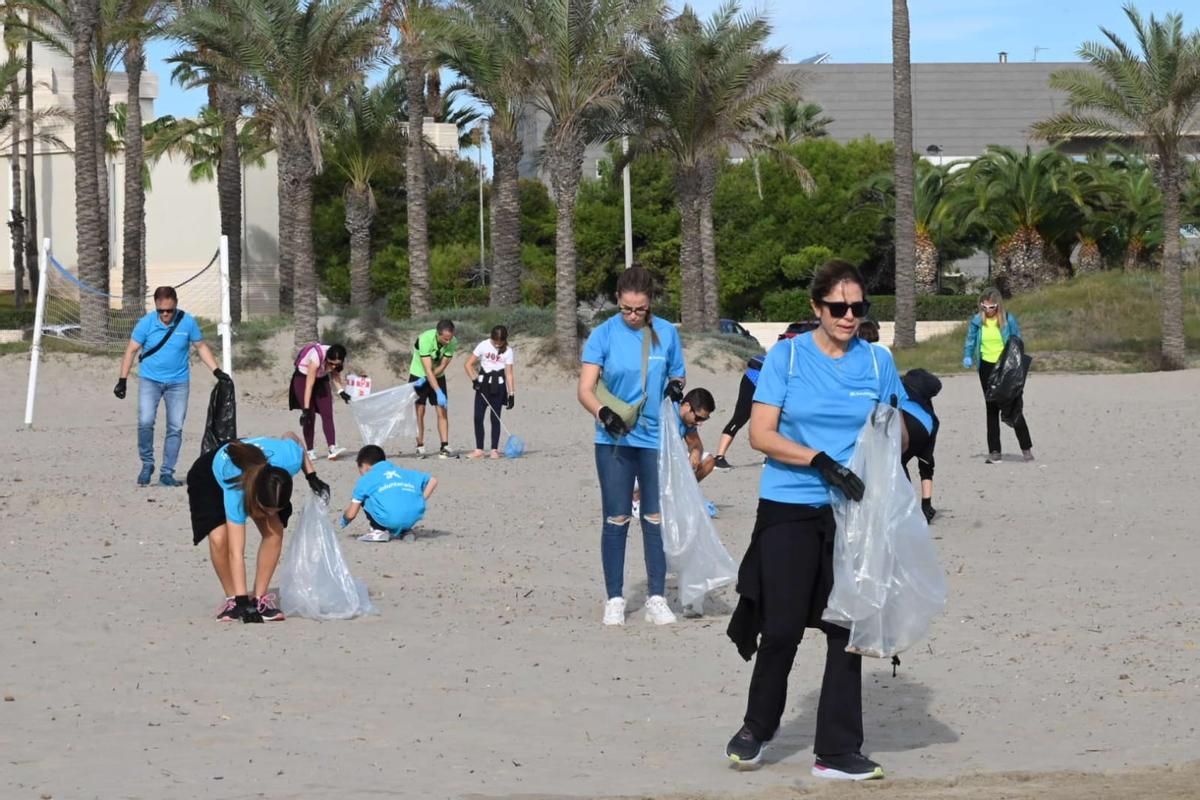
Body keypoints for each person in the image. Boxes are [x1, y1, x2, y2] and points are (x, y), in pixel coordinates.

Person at [724, 260, 903, 780]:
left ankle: (838, 750)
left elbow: (894, 431)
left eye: (858, 307)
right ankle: (758, 726)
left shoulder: (878, 362)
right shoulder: (787, 357)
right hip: (789, 504)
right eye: (837, 307)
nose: (849, 316)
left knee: (844, 627)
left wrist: (893, 443)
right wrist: (819, 460)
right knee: (780, 627)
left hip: (853, 512)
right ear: (815, 307)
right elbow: (760, 433)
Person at [577, 266, 686, 627]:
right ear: (618, 301)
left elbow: (677, 372)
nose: (633, 316)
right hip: (614, 438)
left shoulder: (667, 332)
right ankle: (614, 598)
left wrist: (675, 386)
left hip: (655, 438)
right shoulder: (603, 334)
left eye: (640, 309)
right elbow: (585, 389)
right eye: (626, 309)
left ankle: (657, 597)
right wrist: (603, 412)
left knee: (654, 517)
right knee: (617, 517)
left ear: (651, 302)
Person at [186, 432, 331, 623]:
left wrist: (311, 476)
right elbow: (236, 552)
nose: (269, 514)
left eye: (275, 510)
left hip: (254, 466)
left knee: (274, 530)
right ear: (255, 498)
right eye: (265, 510)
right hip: (211, 476)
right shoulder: (236, 491)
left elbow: (291, 436)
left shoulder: (290, 459)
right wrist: (241, 601)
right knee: (219, 539)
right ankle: (232, 600)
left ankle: (259, 598)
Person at [114, 286, 230, 487]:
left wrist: (217, 371)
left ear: (176, 304)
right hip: (150, 381)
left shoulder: (187, 322)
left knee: (175, 427)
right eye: (161, 311)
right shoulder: (146, 323)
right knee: (145, 421)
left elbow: (201, 346)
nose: (166, 315)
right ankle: (147, 463)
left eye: (169, 310)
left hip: (178, 383)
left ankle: (167, 472)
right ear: (156, 307)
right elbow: (131, 350)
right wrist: (122, 380)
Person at [713, 321, 818, 471]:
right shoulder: (797, 349)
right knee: (742, 416)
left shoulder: (794, 347)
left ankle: (769, 457)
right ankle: (719, 458)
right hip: (755, 378)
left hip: (762, 378)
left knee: (773, 419)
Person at [962, 287, 1034, 463]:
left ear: (998, 305)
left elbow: (1017, 341)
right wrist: (968, 355)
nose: (988, 310)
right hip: (986, 367)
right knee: (991, 407)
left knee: (1013, 406)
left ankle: (1026, 448)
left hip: (1005, 367)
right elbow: (970, 340)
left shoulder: (1008, 320)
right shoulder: (977, 321)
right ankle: (994, 451)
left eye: (992, 307)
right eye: (984, 306)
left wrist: (1017, 364)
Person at [339, 445, 438, 542]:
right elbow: (433, 480)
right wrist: (420, 500)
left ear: (365, 465)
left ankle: (379, 530)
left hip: (390, 519)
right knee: (398, 495)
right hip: (412, 518)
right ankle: (405, 531)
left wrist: (344, 520)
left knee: (364, 496)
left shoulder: (366, 479)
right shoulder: (404, 472)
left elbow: (351, 514)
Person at [288, 342, 349, 462]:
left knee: (327, 414)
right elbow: (309, 385)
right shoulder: (316, 357)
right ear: (326, 358)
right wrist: (305, 410)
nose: (333, 366)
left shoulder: (337, 358)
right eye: (331, 363)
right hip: (303, 379)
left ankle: (332, 448)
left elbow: (335, 374)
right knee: (309, 417)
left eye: (336, 364)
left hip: (321, 379)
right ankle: (310, 451)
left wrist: (341, 392)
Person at [464, 325, 516, 459]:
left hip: (498, 387)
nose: (497, 345)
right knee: (478, 417)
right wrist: (474, 380)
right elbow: (468, 364)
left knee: (495, 418)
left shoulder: (508, 351)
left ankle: (494, 450)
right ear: (491, 337)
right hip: (482, 387)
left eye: (500, 342)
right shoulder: (483, 345)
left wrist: (511, 394)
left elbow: (509, 373)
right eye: (495, 342)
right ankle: (479, 450)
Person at [408, 319, 457, 458]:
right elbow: (427, 370)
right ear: (437, 334)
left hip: (438, 375)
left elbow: (442, 365)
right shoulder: (425, 339)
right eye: (445, 339)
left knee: (442, 410)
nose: (448, 341)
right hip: (419, 375)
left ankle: (444, 446)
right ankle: (420, 446)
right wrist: (437, 390)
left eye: (450, 338)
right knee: (420, 411)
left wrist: (438, 391)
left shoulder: (453, 342)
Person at [900, 369, 941, 523]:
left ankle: (907, 510)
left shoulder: (897, 388)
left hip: (903, 419)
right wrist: (926, 503)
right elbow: (926, 464)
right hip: (924, 428)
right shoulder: (930, 415)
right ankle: (920, 509)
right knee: (900, 462)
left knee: (895, 463)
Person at [678, 387, 716, 483]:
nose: (699, 423)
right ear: (687, 406)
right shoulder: (668, 413)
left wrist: (695, 452)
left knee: (708, 461)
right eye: (698, 418)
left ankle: (683, 489)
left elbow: (695, 444)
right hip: (651, 456)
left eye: (704, 419)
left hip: (671, 456)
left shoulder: (688, 422)